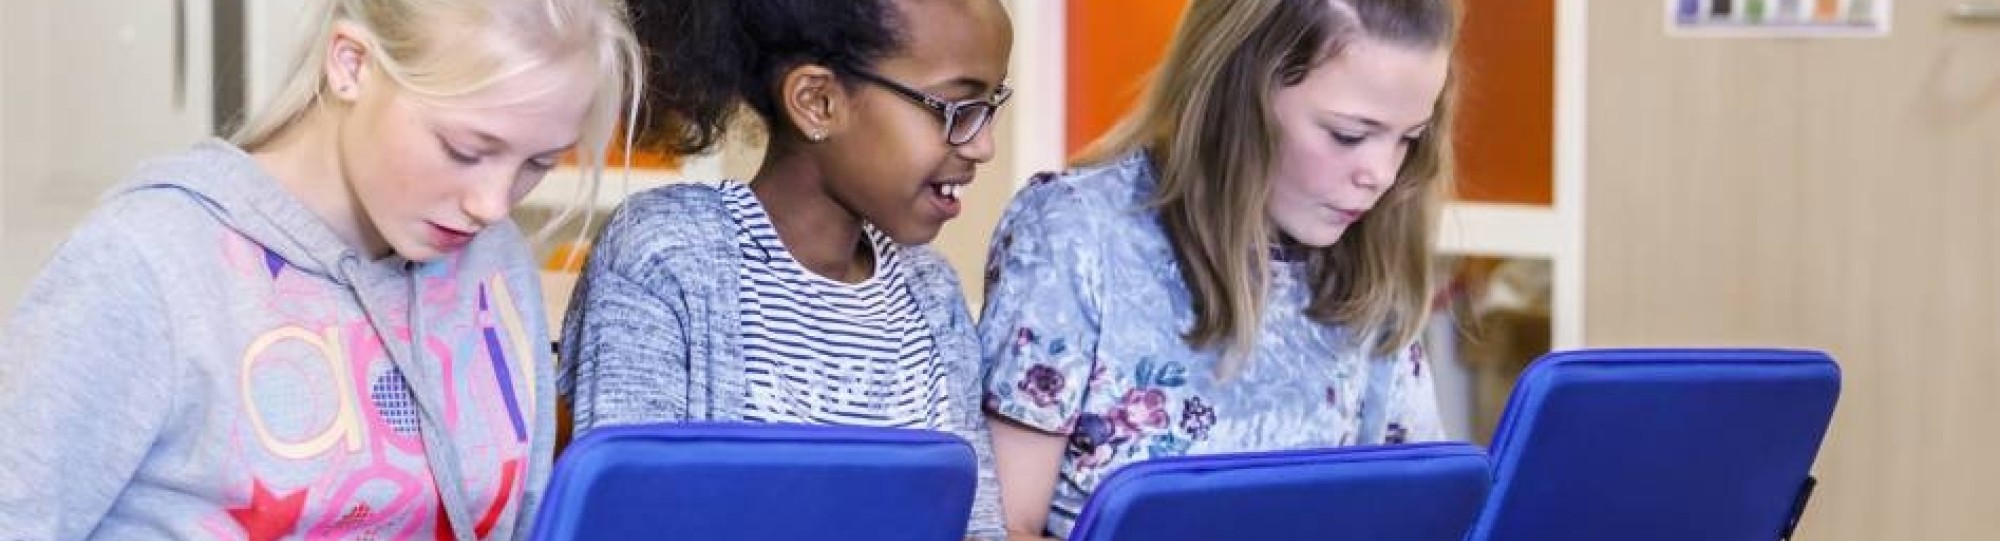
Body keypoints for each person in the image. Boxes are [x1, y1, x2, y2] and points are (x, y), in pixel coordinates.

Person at [0, 0, 641, 537]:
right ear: (350, 64)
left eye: (538, 164)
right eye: (466, 149)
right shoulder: (146, 265)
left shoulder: (494, 264)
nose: (492, 204)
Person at [978, 0, 1460, 538]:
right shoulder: (1075, 233)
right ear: (1238, 92)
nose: (1382, 174)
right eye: (1348, 135)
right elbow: (997, 528)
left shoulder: (1367, 269)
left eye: (1408, 139)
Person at [558, 0, 1013, 537]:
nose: (982, 145)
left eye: (990, 107)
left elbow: (976, 526)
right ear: (817, 102)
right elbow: (632, 518)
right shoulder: (668, 255)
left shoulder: (931, 292)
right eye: (957, 109)